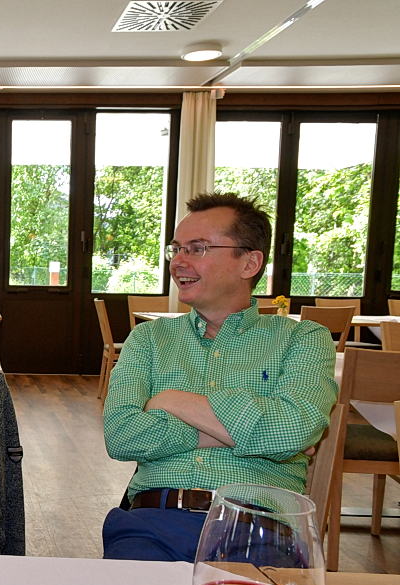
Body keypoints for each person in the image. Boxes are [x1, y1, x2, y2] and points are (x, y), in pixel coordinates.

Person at [101, 192, 337, 562]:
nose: (178, 261)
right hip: (154, 521)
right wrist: (248, 434)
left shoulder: (303, 339)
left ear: (249, 263)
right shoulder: (148, 338)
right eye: (176, 249)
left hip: (259, 528)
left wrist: (171, 401)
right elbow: (121, 435)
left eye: (197, 248)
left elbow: (292, 431)